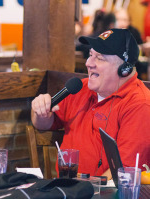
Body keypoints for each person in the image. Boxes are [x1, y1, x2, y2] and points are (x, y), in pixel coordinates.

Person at [32, 29, 150, 179]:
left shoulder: (140, 105)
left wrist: (83, 190)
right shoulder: (80, 88)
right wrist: (40, 111)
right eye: (90, 55)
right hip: (66, 187)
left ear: (124, 69)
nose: (88, 63)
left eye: (99, 58)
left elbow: (124, 174)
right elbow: (43, 124)